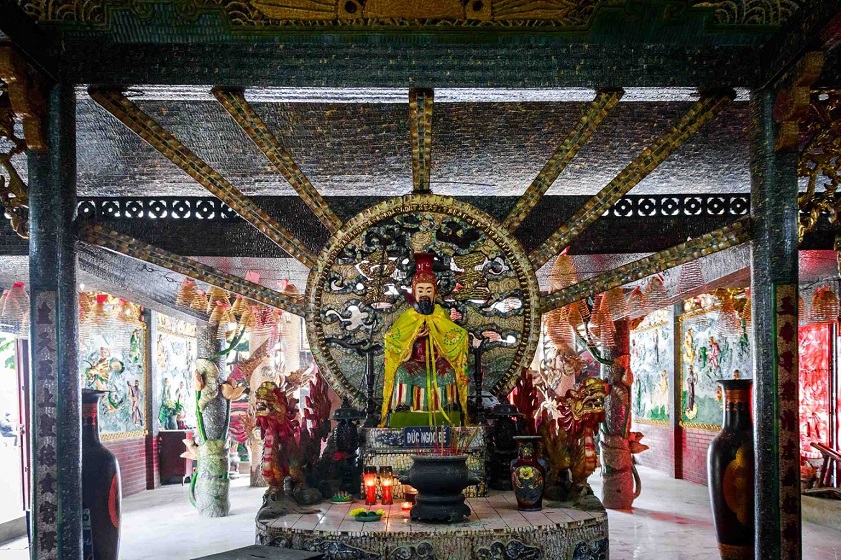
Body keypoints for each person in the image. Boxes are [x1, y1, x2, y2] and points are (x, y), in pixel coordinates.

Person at [380, 253, 469, 426]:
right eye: (420, 291)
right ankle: (403, 406)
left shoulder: (441, 314)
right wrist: (413, 337)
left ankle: (448, 404)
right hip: (414, 362)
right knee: (402, 373)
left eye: (429, 290)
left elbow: (456, 336)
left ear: (435, 293)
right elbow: (392, 338)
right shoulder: (409, 316)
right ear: (414, 292)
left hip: (437, 361)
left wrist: (449, 326)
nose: (424, 295)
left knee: (449, 372)